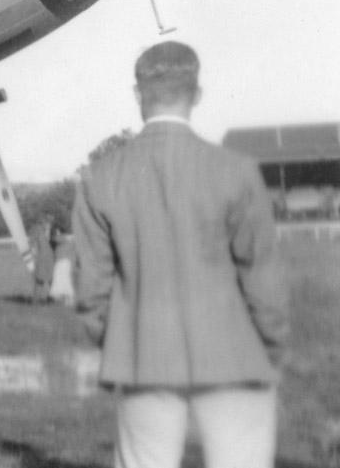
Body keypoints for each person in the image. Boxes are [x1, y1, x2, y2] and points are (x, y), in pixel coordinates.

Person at [74, 41, 288, 468]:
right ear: (198, 93)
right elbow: (262, 277)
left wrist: (120, 341)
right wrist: (272, 349)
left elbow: (91, 288)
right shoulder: (235, 170)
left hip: (142, 357)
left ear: (138, 94)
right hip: (235, 355)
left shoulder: (99, 177)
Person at [28, 216, 55, 303]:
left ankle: (49, 297)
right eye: (48, 222)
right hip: (41, 257)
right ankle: (36, 299)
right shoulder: (37, 230)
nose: (49, 224)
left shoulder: (50, 230)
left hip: (50, 256)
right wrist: (33, 251)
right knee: (40, 278)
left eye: (50, 222)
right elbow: (32, 242)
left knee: (52, 278)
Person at [49, 227, 75, 306]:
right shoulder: (69, 239)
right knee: (65, 280)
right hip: (64, 262)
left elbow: (55, 238)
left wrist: (54, 233)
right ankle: (68, 299)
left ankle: (67, 298)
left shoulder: (64, 238)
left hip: (62, 262)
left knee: (62, 280)